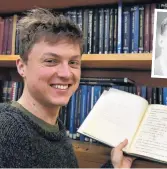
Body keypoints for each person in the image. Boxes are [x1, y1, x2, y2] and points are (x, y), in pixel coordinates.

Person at [0, 8, 135, 168]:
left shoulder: (55, 128)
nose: (66, 74)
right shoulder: (5, 130)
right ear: (22, 67)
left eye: (73, 62)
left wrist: (113, 166)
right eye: (51, 61)